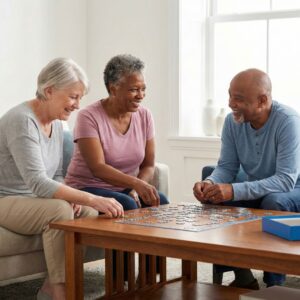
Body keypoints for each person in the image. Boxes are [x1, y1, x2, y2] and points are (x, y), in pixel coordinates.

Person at [0, 58, 124, 300]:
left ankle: (49, 286)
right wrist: (91, 197)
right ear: (49, 91)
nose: (78, 105)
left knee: (86, 212)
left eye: (80, 98)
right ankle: (61, 290)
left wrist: (80, 200)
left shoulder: (58, 125)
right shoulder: (21, 120)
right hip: (6, 198)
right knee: (59, 210)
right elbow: (38, 182)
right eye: (73, 97)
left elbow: (55, 174)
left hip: (33, 199)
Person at [193, 68, 300, 289]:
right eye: (230, 95)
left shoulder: (288, 121)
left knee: (274, 202)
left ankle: (274, 285)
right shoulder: (233, 122)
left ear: (262, 101)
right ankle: (242, 276)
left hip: (293, 187)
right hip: (261, 183)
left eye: (238, 98)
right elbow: (226, 166)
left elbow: (285, 181)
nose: (231, 103)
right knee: (214, 197)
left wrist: (233, 190)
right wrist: (211, 184)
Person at [65, 54, 169, 210]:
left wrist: (136, 189)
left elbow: (148, 165)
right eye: (134, 90)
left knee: (161, 201)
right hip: (86, 187)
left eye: (143, 89)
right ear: (113, 89)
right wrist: (135, 183)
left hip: (123, 189)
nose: (140, 96)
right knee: (128, 204)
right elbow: (98, 168)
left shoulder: (145, 115)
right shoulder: (88, 116)